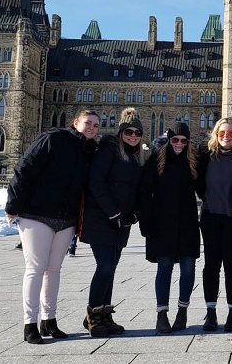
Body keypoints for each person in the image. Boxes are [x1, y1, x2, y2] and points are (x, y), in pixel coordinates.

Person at [6, 110, 100, 344]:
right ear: (75, 122)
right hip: (37, 214)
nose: (92, 128)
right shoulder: (53, 138)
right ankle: (29, 324)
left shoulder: (90, 151)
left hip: (65, 219)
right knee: (35, 268)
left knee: (54, 269)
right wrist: (13, 205)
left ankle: (49, 320)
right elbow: (24, 168)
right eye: (88, 123)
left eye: (96, 125)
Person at [80, 108, 144, 337]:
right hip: (102, 219)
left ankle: (103, 315)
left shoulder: (134, 156)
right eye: (129, 131)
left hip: (121, 222)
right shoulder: (108, 150)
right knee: (105, 266)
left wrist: (133, 214)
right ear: (120, 132)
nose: (133, 135)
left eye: (138, 132)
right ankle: (93, 317)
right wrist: (113, 213)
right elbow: (96, 182)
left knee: (111, 269)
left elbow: (135, 189)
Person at [138, 122, 200, 334]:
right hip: (162, 224)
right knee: (164, 267)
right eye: (175, 140)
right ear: (169, 140)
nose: (179, 144)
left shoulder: (193, 161)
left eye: (184, 140)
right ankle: (161, 314)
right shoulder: (157, 159)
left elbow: (207, 187)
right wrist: (146, 221)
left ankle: (182, 310)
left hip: (188, 224)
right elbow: (144, 191)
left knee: (188, 269)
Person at [195, 117, 232, 332]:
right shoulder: (206, 155)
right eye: (222, 133)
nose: (226, 137)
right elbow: (199, 184)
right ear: (216, 135)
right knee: (211, 266)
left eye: (230, 134)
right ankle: (210, 313)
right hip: (211, 217)